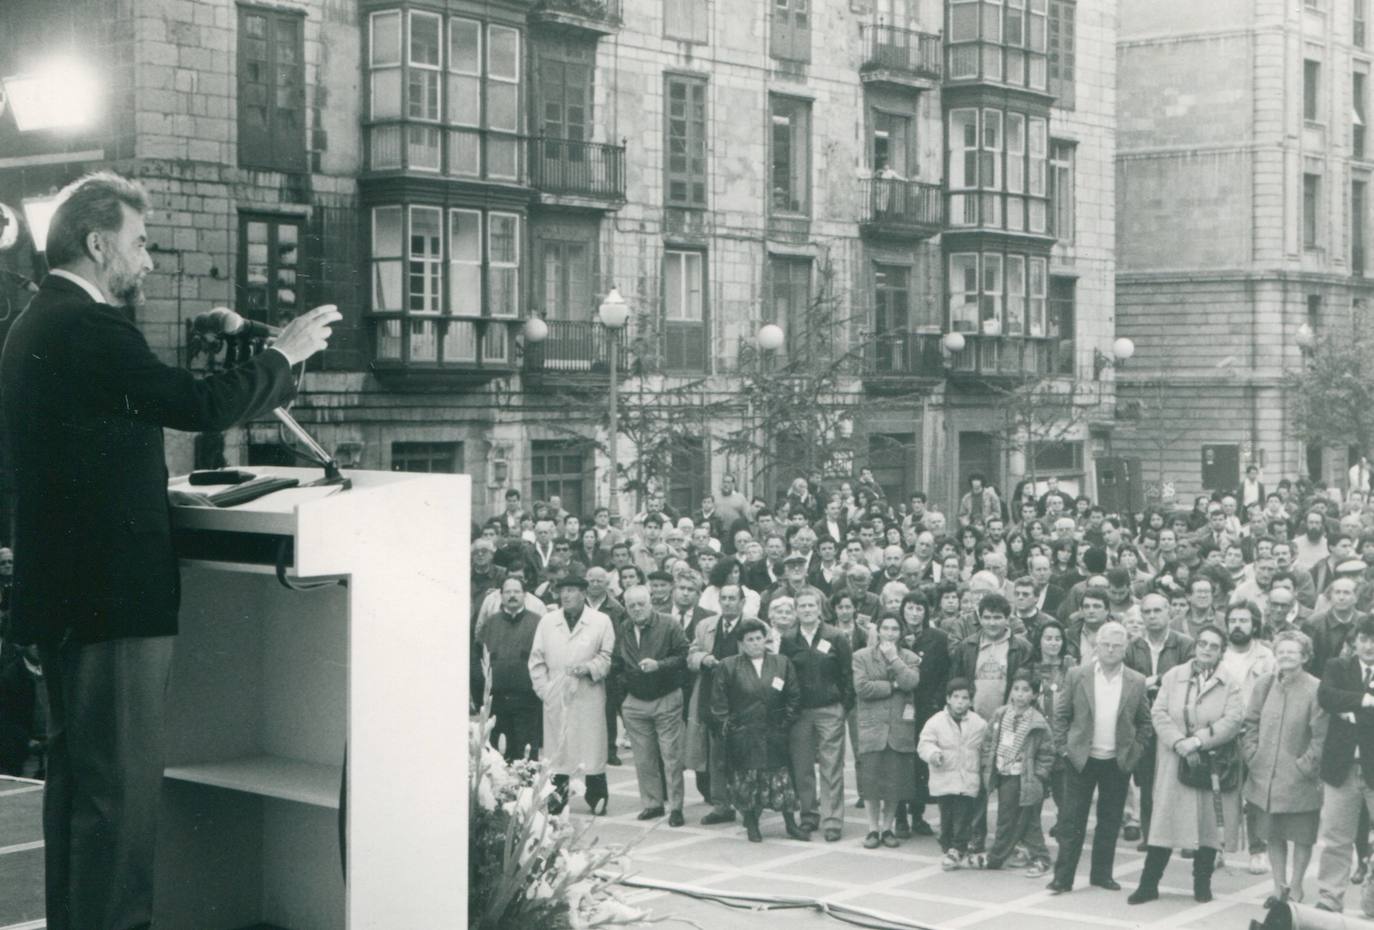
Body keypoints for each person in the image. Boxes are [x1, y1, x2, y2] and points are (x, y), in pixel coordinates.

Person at [0, 172, 337, 930]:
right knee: (121, 802)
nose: (148, 261)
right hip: (113, 600)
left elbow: (127, 416)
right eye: (140, 243)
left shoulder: (35, 322)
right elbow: (194, 405)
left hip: (63, 597)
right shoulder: (89, 328)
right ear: (97, 244)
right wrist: (282, 355)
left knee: (80, 799)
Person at [1129, 624, 1244, 905]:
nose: (1207, 650)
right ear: (1195, 646)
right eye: (1203, 643)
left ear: (1221, 651)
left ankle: (1201, 884)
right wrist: (1179, 742)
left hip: (1212, 761)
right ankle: (1148, 884)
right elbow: (1158, 712)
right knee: (1165, 822)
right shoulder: (1174, 676)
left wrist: (1199, 741)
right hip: (1175, 759)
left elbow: (1233, 720)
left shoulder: (1230, 682)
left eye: (1214, 646)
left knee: (1207, 827)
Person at [1047, 621, 1152, 895]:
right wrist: (1064, 748)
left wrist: (1134, 750)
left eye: (1117, 646)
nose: (1110, 650)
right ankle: (1063, 878)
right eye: (1105, 644)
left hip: (1116, 761)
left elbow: (1144, 722)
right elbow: (1061, 715)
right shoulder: (1076, 675)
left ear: (1125, 649)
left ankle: (1101, 875)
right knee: (1072, 820)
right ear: (1096, 646)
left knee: (1110, 820)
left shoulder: (1136, 681)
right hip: (1081, 759)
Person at [1242, 630, 1327, 907]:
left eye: (1293, 651)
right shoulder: (1265, 684)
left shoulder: (1315, 688)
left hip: (1299, 779)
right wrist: (1252, 754)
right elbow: (1250, 722)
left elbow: (1321, 735)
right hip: (1264, 776)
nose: (1286, 655)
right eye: (1282, 650)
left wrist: (1305, 766)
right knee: (1273, 833)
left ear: (1304, 656)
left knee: (1302, 836)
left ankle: (1298, 887)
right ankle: (1280, 888)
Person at [708, 618, 807, 842]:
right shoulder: (729, 665)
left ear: (766, 639)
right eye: (750, 640)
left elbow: (794, 696)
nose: (755, 643)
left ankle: (791, 825)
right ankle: (752, 824)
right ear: (742, 643)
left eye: (759, 638)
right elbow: (718, 702)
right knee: (747, 782)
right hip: (745, 735)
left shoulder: (781, 663)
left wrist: (785, 724)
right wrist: (731, 728)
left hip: (775, 732)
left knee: (782, 781)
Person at [528, 575, 617, 815]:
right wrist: (545, 691)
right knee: (559, 749)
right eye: (563, 591)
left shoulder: (600, 621)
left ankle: (596, 797)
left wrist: (589, 668)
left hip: (588, 692)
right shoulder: (548, 621)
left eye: (571, 590)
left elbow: (607, 656)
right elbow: (536, 660)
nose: (566, 595)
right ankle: (558, 798)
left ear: (583, 593)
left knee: (592, 747)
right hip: (556, 692)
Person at [780, 590, 854, 842]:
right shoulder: (789, 639)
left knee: (831, 766)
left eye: (812, 605)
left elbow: (847, 675)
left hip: (829, 710)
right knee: (802, 767)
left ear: (820, 609)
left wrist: (843, 706)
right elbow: (785, 675)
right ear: (796, 610)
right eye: (802, 606)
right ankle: (809, 814)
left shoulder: (836, 636)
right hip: (800, 713)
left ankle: (832, 820)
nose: (807, 609)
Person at [613, 585, 690, 826]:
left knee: (671, 755)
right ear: (626, 607)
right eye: (631, 605)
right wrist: (624, 694)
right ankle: (652, 803)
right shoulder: (624, 628)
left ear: (651, 603)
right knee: (643, 756)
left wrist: (660, 665)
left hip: (665, 696)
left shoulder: (669, 624)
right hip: (635, 700)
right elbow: (617, 662)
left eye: (641, 604)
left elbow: (683, 655)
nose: (636, 609)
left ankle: (676, 807)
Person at [1123, 593, 1194, 849]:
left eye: (1157, 611)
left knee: (1182, 780)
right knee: (1148, 780)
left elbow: (1188, 678)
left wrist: (1153, 681)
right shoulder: (1132, 647)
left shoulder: (1184, 644)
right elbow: (1128, 683)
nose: (1152, 616)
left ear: (1168, 612)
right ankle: (1151, 835)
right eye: (1147, 612)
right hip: (1144, 722)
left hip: (1177, 723)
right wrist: (1151, 682)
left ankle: (1187, 837)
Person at [1313, 615, 1374, 912]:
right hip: (1342, 768)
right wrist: (1366, 701)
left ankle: (1372, 901)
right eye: (1364, 639)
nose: (1370, 646)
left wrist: (1348, 710)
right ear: (1355, 641)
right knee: (1336, 838)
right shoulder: (1338, 667)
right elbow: (1326, 696)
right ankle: (1329, 897)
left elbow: (1338, 702)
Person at [852, 614, 922, 848]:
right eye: (886, 628)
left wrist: (894, 659)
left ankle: (887, 828)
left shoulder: (909, 657)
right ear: (878, 631)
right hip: (872, 726)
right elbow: (862, 687)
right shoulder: (861, 656)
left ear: (901, 633)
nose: (890, 633)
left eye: (895, 629)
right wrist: (892, 685)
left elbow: (911, 682)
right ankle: (872, 829)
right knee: (871, 781)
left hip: (899, 726)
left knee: (893, 782)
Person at [980, 670, 1055, 876]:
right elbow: (988, 741)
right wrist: (988, 763)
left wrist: (1038, 776)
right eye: (1016, 689)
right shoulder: (1001, 714)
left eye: (1026, 690)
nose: (1020, 694)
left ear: (1034, 695)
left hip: (1025, 777)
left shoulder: (1037, 722)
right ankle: (1010, 854)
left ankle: (1006, 857)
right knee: (1009, 817)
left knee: (1026, 820)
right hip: (1005, 774)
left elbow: (1047, 753)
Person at [686, 583, 747, 824]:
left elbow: (767, 655)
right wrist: (705, 658)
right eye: (724, 598)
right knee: (717, 755)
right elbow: (690, 655)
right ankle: (721, 805)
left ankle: (746, 805)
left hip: (744, 699)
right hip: (713, 698)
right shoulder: (705, 626)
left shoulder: (754, 626)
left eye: (733, 598)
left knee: (743, 755)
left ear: (742, 602)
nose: (728, 602)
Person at [919, 679, 988, 870]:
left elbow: (986, 746)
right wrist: (933, 754)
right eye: (956, 697)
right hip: (944, 779)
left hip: (967, 780)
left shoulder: (978, 724)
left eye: (965, 698)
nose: (960, 702)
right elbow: (924, 743)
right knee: (946, 816)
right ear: (948, 699)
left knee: (963, 815)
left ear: (971, 701)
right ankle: (949, 845)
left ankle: (958, 848)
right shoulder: (935, 722)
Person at [479, 577, 545, 762]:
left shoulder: (538, 623)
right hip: (497, 700)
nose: (512, 596)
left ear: (525, 595)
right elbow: (481, 654)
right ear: (501, 596)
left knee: (525, 755)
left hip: (527, 699)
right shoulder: (491, 623)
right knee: (497, 757)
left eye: (516, 592)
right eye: (507, 592)